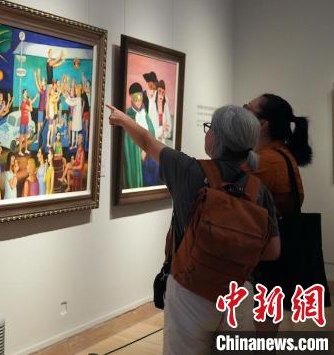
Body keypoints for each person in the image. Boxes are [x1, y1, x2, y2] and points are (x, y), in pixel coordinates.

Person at [107, 103, 281, 355]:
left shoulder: (189, 170)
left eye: (209, 128)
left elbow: (146, 141)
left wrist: (123, 120)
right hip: (238, 294)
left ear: (217, 139)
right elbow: (273, 250)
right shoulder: (258, 189)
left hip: (190, 291)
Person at [244, 94, 313, 332]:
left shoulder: (266, 161)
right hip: (278, 249)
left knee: (262, 325)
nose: (243, 111)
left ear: (263, 124)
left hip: (266, 254)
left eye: (248, 108)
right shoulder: (279, 153)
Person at [123, 82, 156, 188]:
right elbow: (128, 143)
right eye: (135, 97)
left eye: (140, 97)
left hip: (149, 159)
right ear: (131, 98)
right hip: (137, 161)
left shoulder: (145, 115)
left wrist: (147, 150)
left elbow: (152, 134)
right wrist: (139, 153)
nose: (138, 101)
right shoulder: (128, 117)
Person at [18, 89, 38, 155]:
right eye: (25, 92)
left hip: (26, 122)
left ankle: (26, 150)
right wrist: (30, 101)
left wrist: (36, 97)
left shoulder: (27, 101)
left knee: (26, 137)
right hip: (22, 123)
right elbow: (31, 109)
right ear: (23, 94)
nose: (26, 93)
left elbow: (31, 102)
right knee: (21, 137)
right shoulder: (23, 103)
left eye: (27, 92)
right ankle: (20, 151)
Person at [156, 80, 173, 145]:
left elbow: (169, 128)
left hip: (163, 141)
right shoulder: (152, 106)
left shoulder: (165, 106)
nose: (161, 94)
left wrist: (164, 133)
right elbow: (151, 131)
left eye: (163, 92)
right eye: (159, 91)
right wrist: (161, 129)